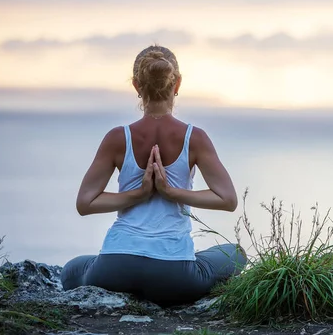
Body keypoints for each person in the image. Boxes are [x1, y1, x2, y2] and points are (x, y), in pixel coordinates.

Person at [60, 45, 247, 306]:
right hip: (173, 274)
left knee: (72, 269)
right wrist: (174, 193)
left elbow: (85, 203)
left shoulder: (117, 137)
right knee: (235, 254)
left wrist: (136, 194)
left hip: (116, 267)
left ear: (137, 85)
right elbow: (228, 200)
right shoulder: (195, 138)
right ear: (177, 83)